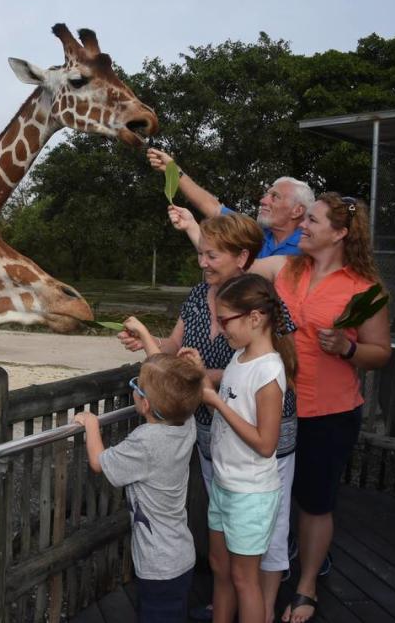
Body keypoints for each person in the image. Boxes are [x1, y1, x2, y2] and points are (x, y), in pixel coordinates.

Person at [120, 214, 298, 622]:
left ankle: (264, 611)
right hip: (224, 466)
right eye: (201, 253)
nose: (203, 262)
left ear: (242, 258)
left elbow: (262, 428)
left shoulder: (263, 344)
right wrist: (161, 349)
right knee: (226, 566)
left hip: (250, 478)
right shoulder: (230, 342)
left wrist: (211, 396)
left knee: (251, 565)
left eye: (211, 254)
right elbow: (186, 362)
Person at [250, 193, 392, 623]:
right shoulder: (285, 269)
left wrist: (348, 348)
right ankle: (259, 581)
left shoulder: (365, 290)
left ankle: (307, 585)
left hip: (328, 412)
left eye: (312, 221)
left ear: (340, 233)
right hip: (276, 405)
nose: (303, 227)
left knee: (315, 502)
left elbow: (380, 353)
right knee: (265, 500)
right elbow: (235, 267)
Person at [188, 273, 296, 623]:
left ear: (255, 317)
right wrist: (201, 374)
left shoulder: (268, 370)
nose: (220, 330)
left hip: (250, 493)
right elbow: (226, 404)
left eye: (225, 321)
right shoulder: (240, 357)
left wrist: (217, 404)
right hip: (224, 484)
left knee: (243, 579)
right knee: (221, 569)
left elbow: (266, 444)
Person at [74, 349, 204, 622]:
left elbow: (99, 462)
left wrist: (91, 425)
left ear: (145, 405)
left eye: (137, 385)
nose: (135, 388)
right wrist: (188, 373)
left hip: (159, 566)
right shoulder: (186, 424)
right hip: (181, 555)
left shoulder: (146, 442)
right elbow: (179, 393)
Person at [147, 147, 312, 258]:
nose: (263, 200)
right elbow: (214, 208)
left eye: (274, 196)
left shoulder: (311, 247)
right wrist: (174, 171)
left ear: (297, 210)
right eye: (266, 194)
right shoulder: (254, 233)